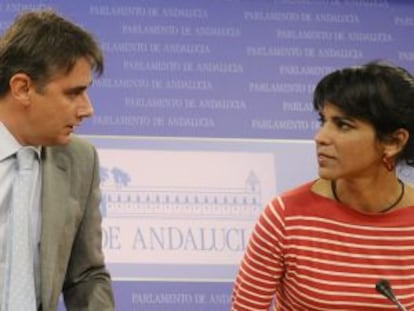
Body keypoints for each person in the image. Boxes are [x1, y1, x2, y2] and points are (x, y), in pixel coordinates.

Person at [231, 61, 414, 310]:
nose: (321, 137)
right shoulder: (286, 216)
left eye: (343, 125)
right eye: (323, 121)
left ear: (394, 141)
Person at [0, 10, 114, 311]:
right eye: (74, 93)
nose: (87, 110)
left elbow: (86, 276)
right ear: (22, 88)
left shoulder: (81, 160)